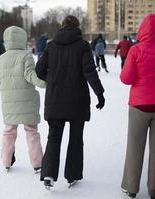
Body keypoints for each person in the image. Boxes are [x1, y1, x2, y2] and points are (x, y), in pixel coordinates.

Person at [35, 15, 105, 189]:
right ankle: (72, 175)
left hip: (55, 99)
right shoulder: (82, 46)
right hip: (77, 100)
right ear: (77, 27)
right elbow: (90, 71)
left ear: (62, 26)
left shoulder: (51, 46)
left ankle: (49, 174)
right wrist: (100, 93)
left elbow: (39, 70)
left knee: (54, 137)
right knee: (75, 138)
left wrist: (51, 79)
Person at [0, 26, 46, 172]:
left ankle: (6, 161)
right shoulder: (26, 56)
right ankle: (38, 163)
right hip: (28, 102)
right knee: (32, 131)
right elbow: (30, 75)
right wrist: (44, 82)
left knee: (9, 131)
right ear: (22, 40)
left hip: (9, 104)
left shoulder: (1, 59)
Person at [120, 14, 155, 199]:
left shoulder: (136, 50)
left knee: (135, 146)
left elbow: (126, 78)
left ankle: (131, 186)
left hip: (139, 105)